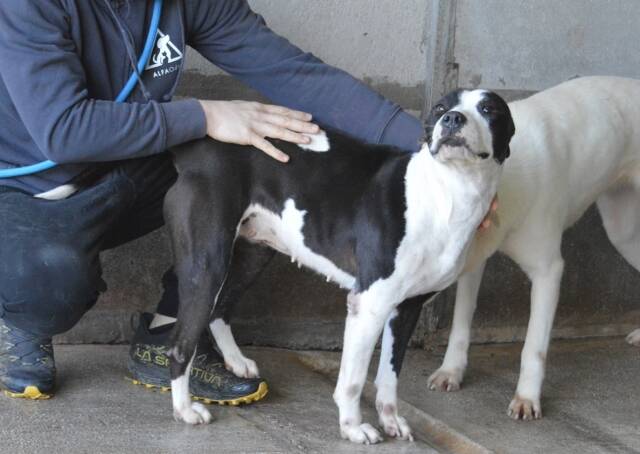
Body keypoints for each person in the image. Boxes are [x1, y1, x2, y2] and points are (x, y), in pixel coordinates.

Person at [0, 1, 492, 403]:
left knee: (272, 152)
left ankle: (171, 330)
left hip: (130, 162)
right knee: (49, 283)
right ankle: (21, 320)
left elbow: (296, 76)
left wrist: (436, 157)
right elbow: (63, 130)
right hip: (28, 189)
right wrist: (205, 115)